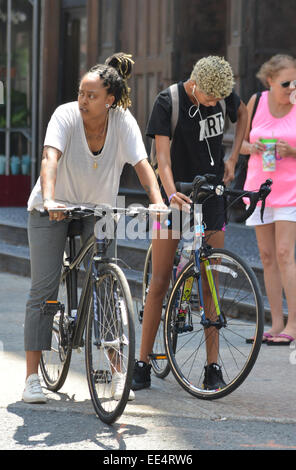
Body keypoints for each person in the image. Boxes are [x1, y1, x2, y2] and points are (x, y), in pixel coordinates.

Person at [22, 52, 165, 404]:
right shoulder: (65, 115)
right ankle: (31, 378)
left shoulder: (123, 121)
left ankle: (119, 375)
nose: (83, 100)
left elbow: (143, 163)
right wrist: (51, 199)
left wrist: (157, 200)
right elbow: (49, 158)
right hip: (51, 208)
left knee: (106, 287)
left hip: (97, 210)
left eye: (92, 95)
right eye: (81, 93)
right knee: (43, 289)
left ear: (110, 100)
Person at [132, 56, 248, 391]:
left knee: (210, 278)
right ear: (195, 84)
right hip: (178, 193)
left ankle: (213, 366)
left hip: (211, 194)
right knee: (161, 279)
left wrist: (233, 155)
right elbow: (162, 158)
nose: (216, 104)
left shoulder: (222, 93)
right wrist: (170, 194)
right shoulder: (169, 101)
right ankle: (142, 363)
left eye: (219, 100)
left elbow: (243, 113)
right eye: (210, 99)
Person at [240, 54, 296, 346]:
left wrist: (293, 152)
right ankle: (276, 323)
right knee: (267, 256)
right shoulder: (257, 102)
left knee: (286, 253)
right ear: (270, 80)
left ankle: (294, 324)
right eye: (286, 83)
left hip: (292, 190)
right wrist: (253, 146)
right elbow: (240, 144)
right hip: (260, 188)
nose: (292, 88)